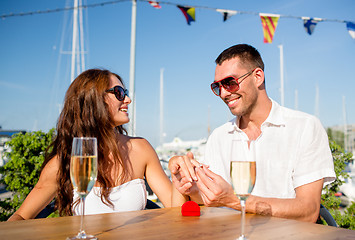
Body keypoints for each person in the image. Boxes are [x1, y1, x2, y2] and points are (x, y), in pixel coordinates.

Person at [169, 44, 336, 222]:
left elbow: (308, 211)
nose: (224, 93)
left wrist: (235, 200)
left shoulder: (304, 127)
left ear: (257, 77)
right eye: (217, 87)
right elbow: (214, 200)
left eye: (230, 82)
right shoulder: (219, 137)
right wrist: (189, 186)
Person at [8, 69, 172, 221]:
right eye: (119, 93)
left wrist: (182, 181)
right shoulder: (66, 160)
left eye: (125, 93)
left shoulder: (140, 149)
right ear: (93, 100)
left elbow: (175, 206)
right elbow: (20, 217)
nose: (128, 100)